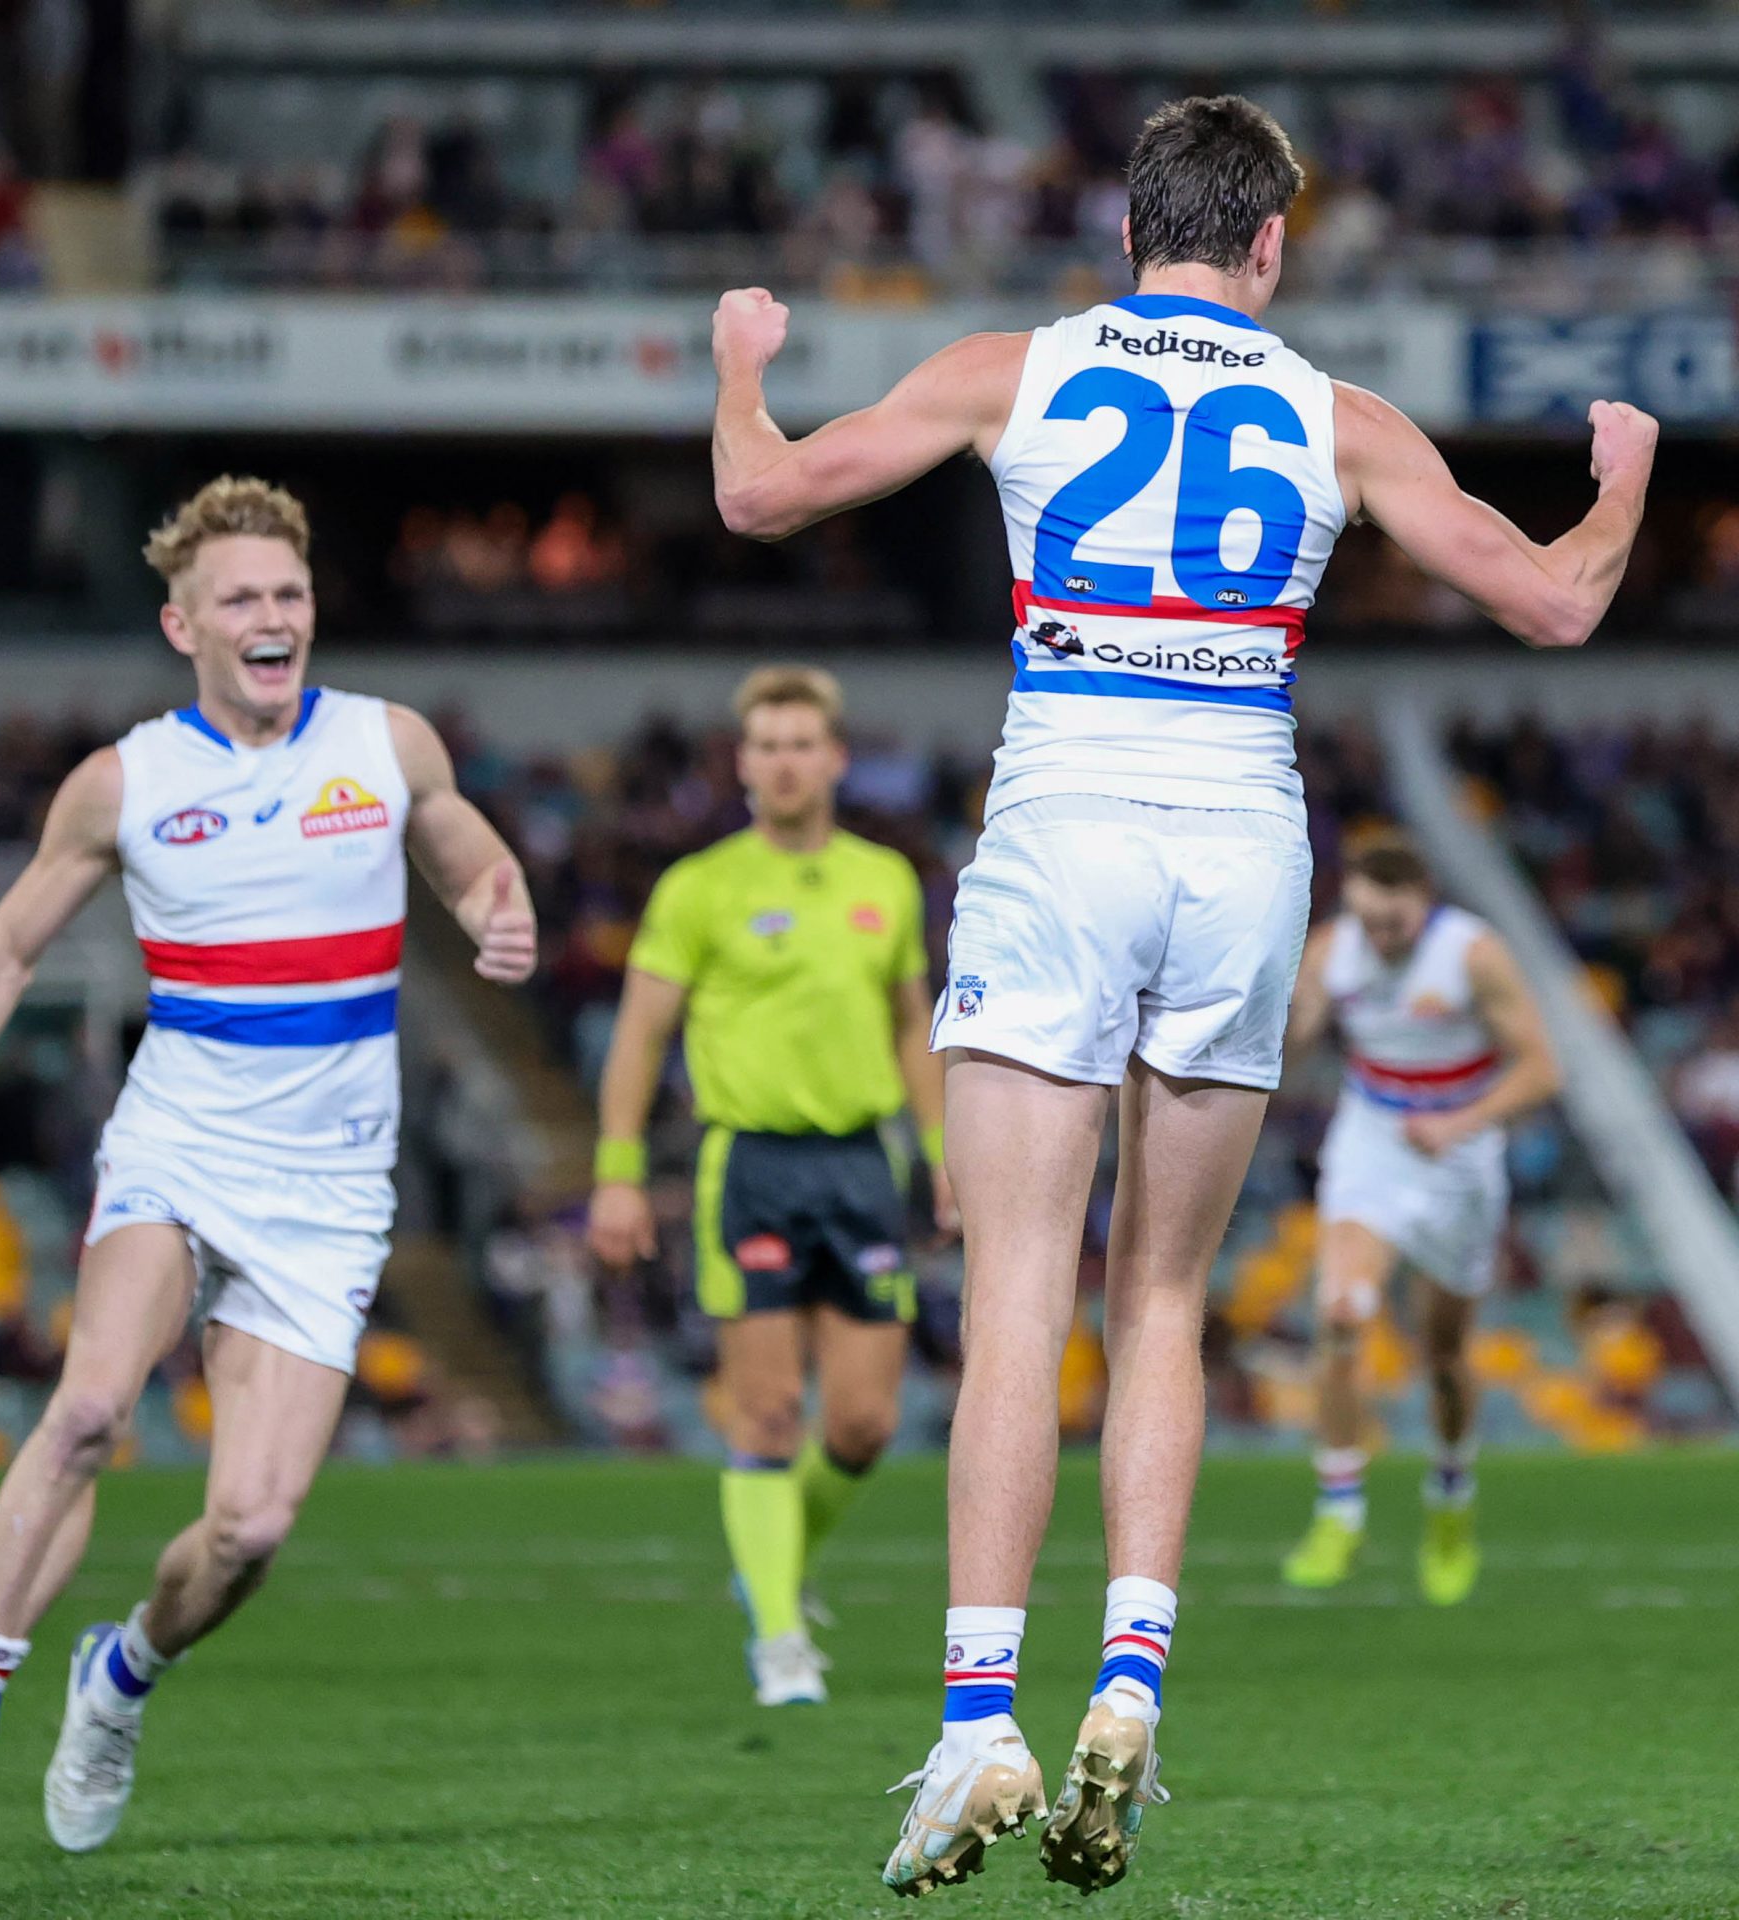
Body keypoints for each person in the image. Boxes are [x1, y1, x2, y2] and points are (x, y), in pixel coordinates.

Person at [707, 95, 1654, 1896]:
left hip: (1066, 819)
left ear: (1129, 228)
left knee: (1016, 1300)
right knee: (1163, 1297)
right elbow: (1553, 608)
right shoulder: (1340, 415)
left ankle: (980, 1714)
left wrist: (744, 361)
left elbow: (760, 492)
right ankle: (1128, 1681)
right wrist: (1620, 476)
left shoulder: (1015, 367)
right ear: (1273, 245)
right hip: (1243, 835)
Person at [0, 475, 535, 1851]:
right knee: (93, 1405)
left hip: (329, 1189)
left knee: (251, 1532)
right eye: (242, 600)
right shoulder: (126, 782)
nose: (273, 619)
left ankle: (121, 1676)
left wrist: (496, 912)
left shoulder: (385, 745)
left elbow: (469, 857)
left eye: (290, 595)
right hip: (177, 1146)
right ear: (183, 626)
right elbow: (4, 951)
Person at [586, 664, 951, 1708]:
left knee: (865, 1425)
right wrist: (616, 1174)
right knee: (766, 1414)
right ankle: (780, 1639)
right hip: (747, 1162)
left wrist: (939, 1147)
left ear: (834, 758)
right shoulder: (699, 888)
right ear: (742, 763)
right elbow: (639, 1033)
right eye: (766, 745)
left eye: (802, 744)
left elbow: (907, 1026)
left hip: (858, 1162)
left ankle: (778, 1567)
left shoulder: (883, 880)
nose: (784, 762)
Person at [1279, 832, 1557, 1605]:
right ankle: (1340, 1509)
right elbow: (1291, 1047)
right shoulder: (1333, 951)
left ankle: (1450, 1498)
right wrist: (1285, 1029)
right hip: (1371, 1138)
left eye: (1393, 924)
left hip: (1458, 1158)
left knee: (1443, 1353)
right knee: (1341, 1311)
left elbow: (1541, 1068)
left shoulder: (1473, 956)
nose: (1379, 938)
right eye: (1367, 921)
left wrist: (1460, 1124)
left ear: (1423, 905)